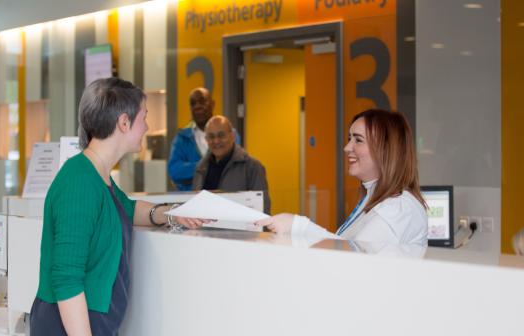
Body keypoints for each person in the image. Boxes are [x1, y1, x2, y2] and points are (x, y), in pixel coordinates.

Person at [29, 77, 202, 336]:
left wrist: (168, 214)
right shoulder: (79, 182)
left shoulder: (98, 176)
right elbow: (66, 281)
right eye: (144, 117)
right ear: (124, 122)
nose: (147, 127)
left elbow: (125, 208)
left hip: (89, 327)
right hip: (68, 334)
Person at [256, 109, 428, 250]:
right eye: (349, 139)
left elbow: (355, 259)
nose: (347, 148)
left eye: (358, 140)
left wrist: (298, 226)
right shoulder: (375, 199)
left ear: (386, 149)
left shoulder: (399, 208)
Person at [192, 115, 271, 214]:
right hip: (204, 229)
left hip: (240, 229)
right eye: (211, 137)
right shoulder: (200, 168)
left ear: (232, 136)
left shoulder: (252, 167)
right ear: (206, 139)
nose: (216, 141)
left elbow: (263, 210)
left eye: (221, 135)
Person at [167, 87, 215, 190]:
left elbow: (232, 170)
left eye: (202, 101)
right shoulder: (182, 138)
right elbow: (174, 171)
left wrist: (191, 170)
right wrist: (207, 166)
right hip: (190, 201)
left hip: (222, 201)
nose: (197, 106)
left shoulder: (228, 135)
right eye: (193, 103)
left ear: (212, 104)